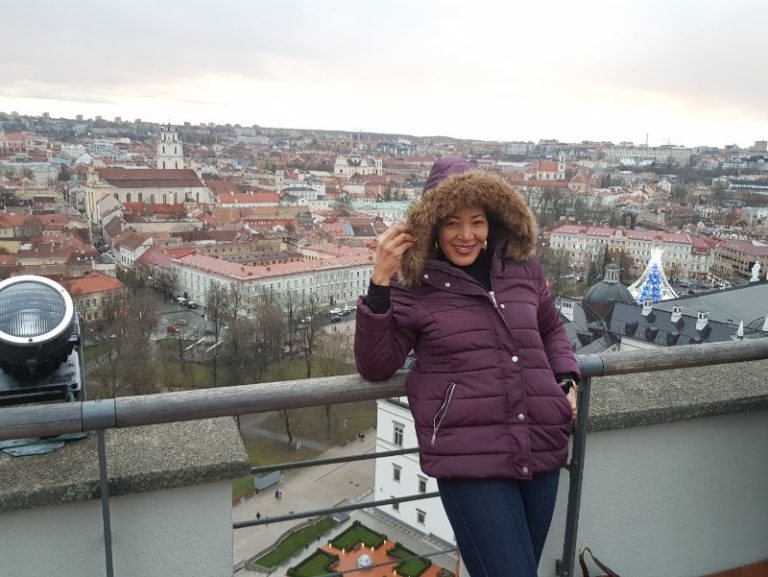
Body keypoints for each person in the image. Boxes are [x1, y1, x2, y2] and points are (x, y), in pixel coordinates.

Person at [354, 157, 579, 577]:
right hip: (468, 451)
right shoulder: (413, 283)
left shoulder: (521, 266)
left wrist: (566, 379)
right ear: (432, 226)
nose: (466, 235)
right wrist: (380, 282)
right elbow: (377, 365)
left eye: (477, 221)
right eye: (452, 222)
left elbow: (550, 329)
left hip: (540, 437)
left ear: (493, 221)